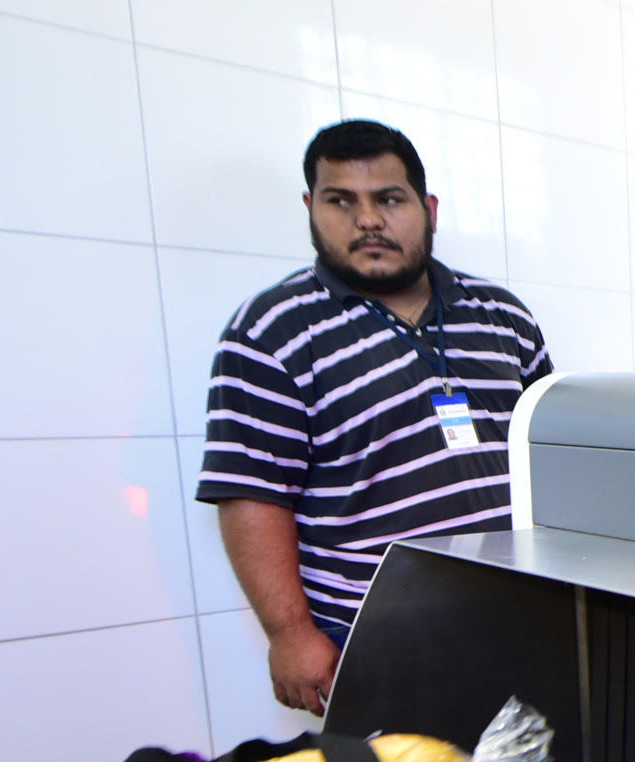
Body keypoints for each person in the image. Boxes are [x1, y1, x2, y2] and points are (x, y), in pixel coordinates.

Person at [196, 120, 553, 715]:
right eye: (341, 201)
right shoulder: (271, 331)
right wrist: (290, 634)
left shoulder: (503, 316)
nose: (367, 220)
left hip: (522, 619)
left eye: (389, 199)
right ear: (311, 209)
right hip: (375, 640)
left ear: (428, 209)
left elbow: (551, 451)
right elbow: (253, 494)